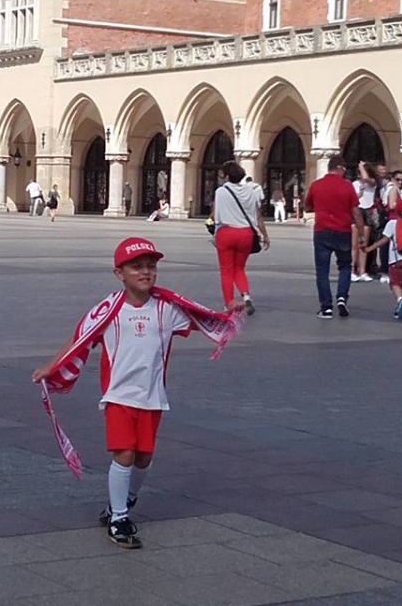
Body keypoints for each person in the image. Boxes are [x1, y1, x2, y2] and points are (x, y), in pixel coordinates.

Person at [31, 237, 241, 549]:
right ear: (120, 273)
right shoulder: (108, 309)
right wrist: (51, 367)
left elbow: (199, 320)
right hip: (118, 396)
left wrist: (227, 314)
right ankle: (118, 519)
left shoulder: (166, 309)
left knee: (144, 458)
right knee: (124, 454)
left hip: (152, 395)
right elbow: (80, 338)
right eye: (137, 267)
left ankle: (125, 500)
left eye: (151, 266)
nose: (145, 272)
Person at [304, 155, 365, 319]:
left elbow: (307, 205)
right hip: (343, 231)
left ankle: (326, 308)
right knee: (345, 266)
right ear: (341, 168)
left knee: (322, 271)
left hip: (322, 231)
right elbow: (356, 213)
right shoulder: (347, 187)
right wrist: (361, 234)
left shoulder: (316, 185)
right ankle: (341, 297)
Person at [214, 161, 270, 316]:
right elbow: (258, 216)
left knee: (226, 271)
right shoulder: (251, 191)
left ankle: (229, 303)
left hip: (226, 232)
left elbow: (217, 217)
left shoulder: (221, 191)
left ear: (226, 175)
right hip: (246, 234)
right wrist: (265, 235)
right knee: (239, 268)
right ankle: (246, 296)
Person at [365, 200, 402, 320]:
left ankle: (400, 301)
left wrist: (370, 248)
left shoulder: (392, 223)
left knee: (394, 283)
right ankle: (401, 305)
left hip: (395, 259)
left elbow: (384, 239)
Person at [351, 161, 377, 283]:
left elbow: (367, 178)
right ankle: (352, 270)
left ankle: (362, 271)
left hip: (367, 211)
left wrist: (362, 166)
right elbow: (352, 199)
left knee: (364, 245)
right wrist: (360, 193)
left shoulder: (372, 183)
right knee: (354, 245)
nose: (360, 175)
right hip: (357, 211)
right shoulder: (354, 184)